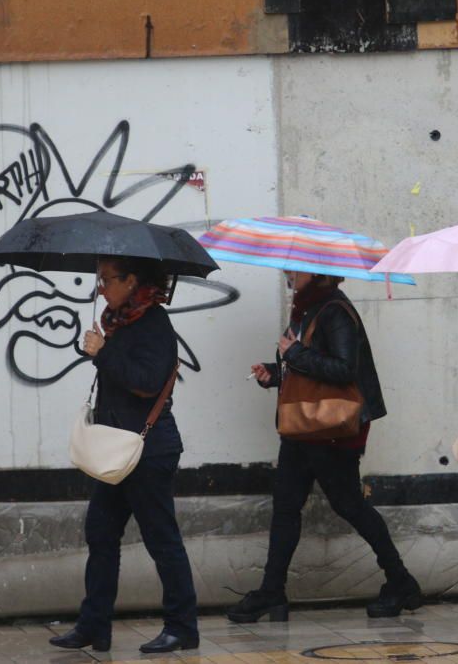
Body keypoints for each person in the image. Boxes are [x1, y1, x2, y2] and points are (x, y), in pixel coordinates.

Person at [226, 271, 422, 623]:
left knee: (349, 505)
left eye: (295, 269)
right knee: (286, 506)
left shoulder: (334, 310)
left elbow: (344, 369)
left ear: (315, 272)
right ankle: (272, 592)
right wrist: (275, 372)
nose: (288, 274)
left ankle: (401, 581)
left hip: (334, 430)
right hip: (302, 426)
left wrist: (296, 353)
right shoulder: (305, 310)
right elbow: (306, 370)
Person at [49, 257, 200, 654]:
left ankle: (182, 627)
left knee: (161, 540)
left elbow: (147, 383)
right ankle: (94, 625)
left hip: (148, 450)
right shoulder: (121, 322)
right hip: (116, 448)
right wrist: (101, 349)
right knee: (101, 534)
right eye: (100, 280)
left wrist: (102, 353)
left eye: (107, 280)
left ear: (132, 281)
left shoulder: (153, 325)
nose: (101, 288)